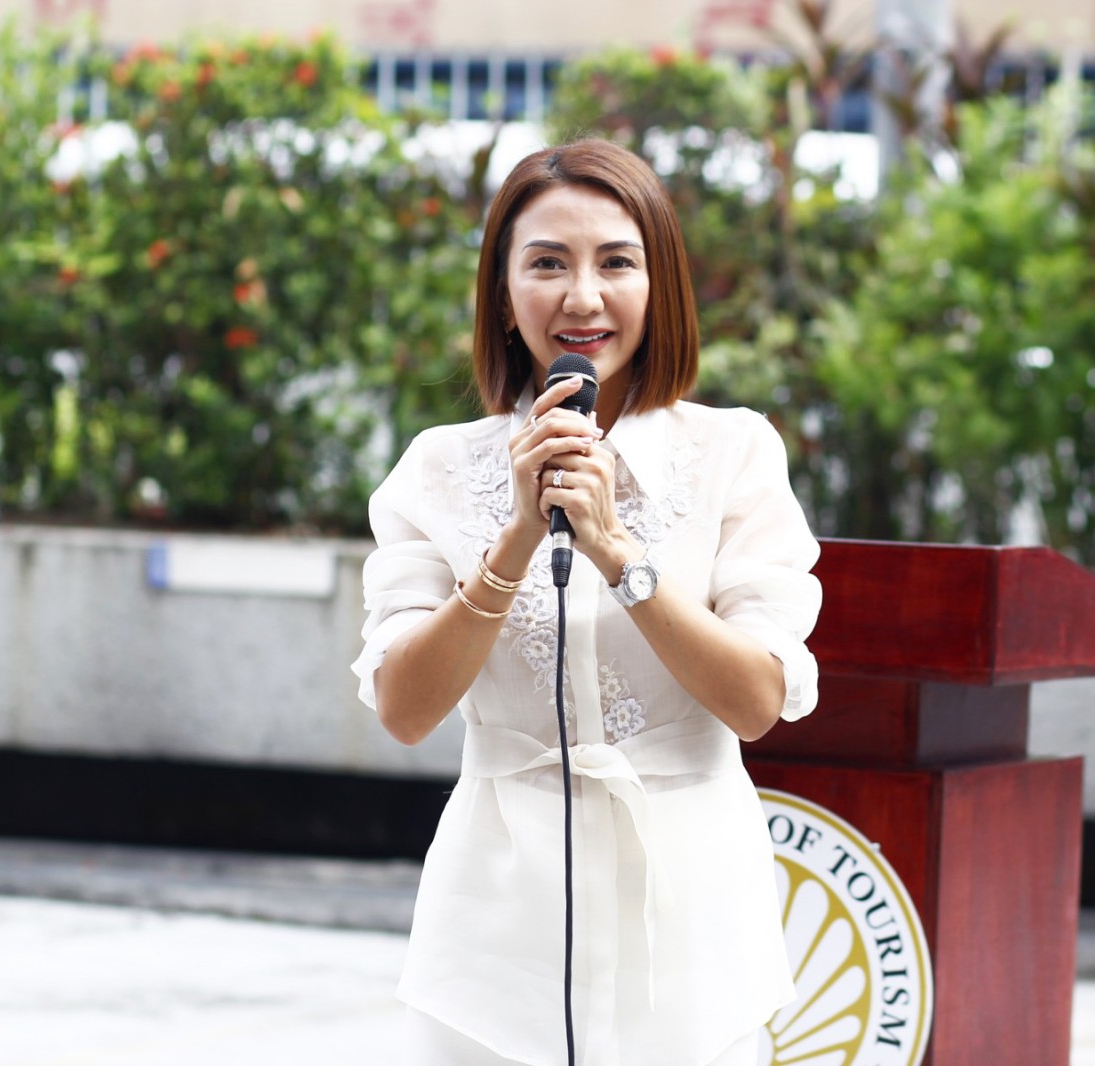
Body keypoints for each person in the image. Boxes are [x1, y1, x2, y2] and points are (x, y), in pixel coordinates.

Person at [351, 139, 822, 1066]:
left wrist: (614, 550)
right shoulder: (438, 470)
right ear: (502, 291)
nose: (582, 297)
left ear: (661, 285)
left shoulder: (734, 453)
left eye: (616, 261)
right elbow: (405, 710)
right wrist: (518, 536)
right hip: (495, 938)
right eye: (547, 264)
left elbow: (757, 700)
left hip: (687, 932)